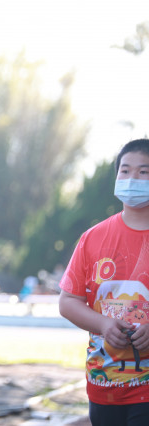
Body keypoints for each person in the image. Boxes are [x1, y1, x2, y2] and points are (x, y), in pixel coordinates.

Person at [59, 139, 149, 426]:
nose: (132, 179)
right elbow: (68, 301)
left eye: (144, 172)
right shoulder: (93, 238)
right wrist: (104, 324)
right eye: (125, 170)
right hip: (104, 383)